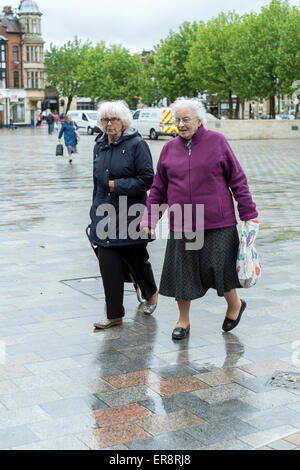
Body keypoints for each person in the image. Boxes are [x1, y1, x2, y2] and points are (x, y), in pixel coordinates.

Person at [140, 97, 259, 340]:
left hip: (218, 220)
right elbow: (158, 190)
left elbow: (237, 179)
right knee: (182, 272)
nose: (181, 125)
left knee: (221, 269)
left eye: (186, 120)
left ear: (199, 120)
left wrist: (248, 213)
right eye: (177, 121)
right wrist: (149, 220)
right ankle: (183, 320)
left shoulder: (217, 142)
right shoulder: (169, 148)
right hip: (182, 221)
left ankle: (234, 305)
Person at [89, 100, 158, 329]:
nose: (109, 124)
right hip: (104, 213)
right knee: (107, 260)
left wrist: (115, 186)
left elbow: (147, 179)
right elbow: (96, 184)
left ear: (123, 121)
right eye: (105, 120)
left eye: (114, 119)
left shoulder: (137, 144)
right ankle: (114, 314)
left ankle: (151, 292)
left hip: (131, 213)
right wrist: (94, 212)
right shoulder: (99, 145)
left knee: (136, 257)